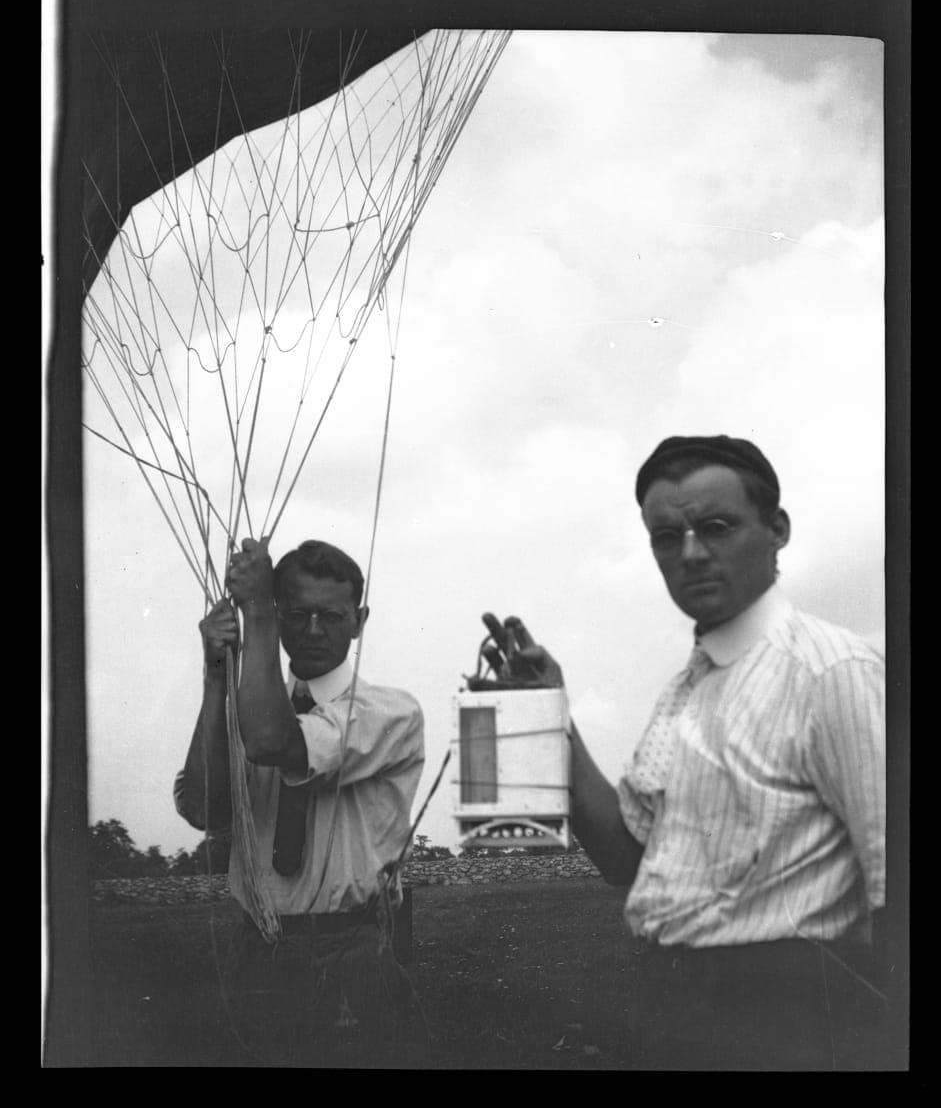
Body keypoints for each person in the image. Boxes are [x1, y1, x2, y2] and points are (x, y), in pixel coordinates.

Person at [503, 435, 887, 1071]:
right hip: (678, 1008)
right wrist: (551, 718)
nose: (691, 554)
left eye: (716, 527)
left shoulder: (831, 671)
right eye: (665, 538)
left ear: (777, 530)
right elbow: (629, 857)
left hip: (793, 1017)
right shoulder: (688, 687)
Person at [174, 537, 426, 1067]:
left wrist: (259, 614)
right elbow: (204, 808)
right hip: (259, 953)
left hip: (354, 955)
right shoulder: (251, 704)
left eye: (331, 617)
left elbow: (273, 741)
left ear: (359, 620)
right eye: (297, 614)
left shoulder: (392, 713)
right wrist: (217, 674)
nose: (313, 630)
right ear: (284, 615)